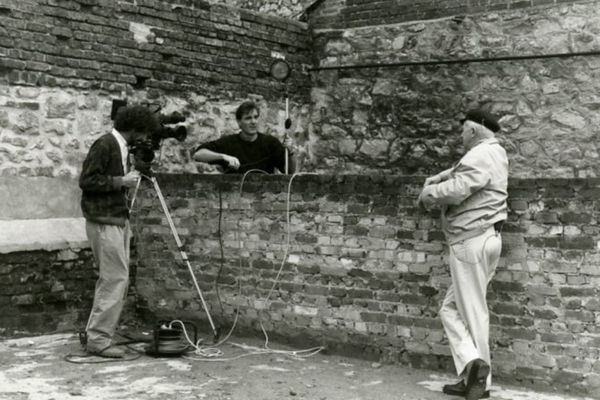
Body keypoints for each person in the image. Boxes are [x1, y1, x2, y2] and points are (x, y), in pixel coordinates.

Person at [416, 109, 508, 400]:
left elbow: (459, 188)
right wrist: (439, 177)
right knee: (453, 308)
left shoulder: (481, 154)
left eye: (463, 130)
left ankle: (478, 373)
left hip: (471, 241)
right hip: (487, 238)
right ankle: (474, 372)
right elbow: (462, 172)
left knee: (472, 312)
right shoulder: (495, 152)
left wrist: (427, 194)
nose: (460, 136)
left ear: (474, 130)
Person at [79, 105, 160, 358]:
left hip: (117, 219)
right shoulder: (105, 145)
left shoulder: (123, 148)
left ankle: (97, 333)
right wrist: (120, 181)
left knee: (114, 278)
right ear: (134, 128)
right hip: (105, 221)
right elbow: (87, 181)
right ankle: (98, 340)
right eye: (144, 131)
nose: (145, 137)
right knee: (115, 278)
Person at [193, 101, 296, 174]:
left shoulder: (271, 143)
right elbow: (198, 154)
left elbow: (289, 171)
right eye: (248, 118)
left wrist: (290, 152)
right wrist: (223, 157)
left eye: (255, 117)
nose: (253, 122)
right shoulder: (229, 142)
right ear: (239, 122)